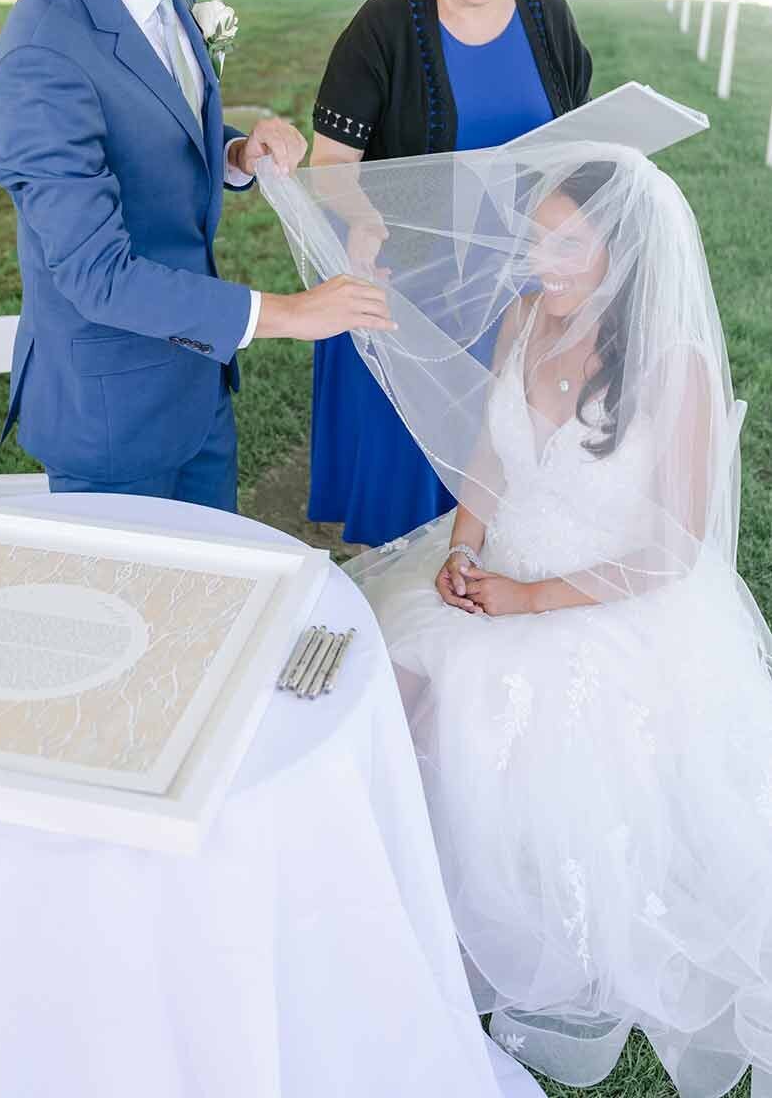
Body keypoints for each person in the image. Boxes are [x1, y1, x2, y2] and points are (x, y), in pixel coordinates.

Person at [262, 140, 772, 1097]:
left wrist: (529, 598)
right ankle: (370, 895)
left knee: (486, 708)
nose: (539, 263)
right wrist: (463, 549)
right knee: (393, 670)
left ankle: (456, 921)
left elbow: (670, 550)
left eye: (564, 248)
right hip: (494, 564)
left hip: (609, 596)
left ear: (621, 256)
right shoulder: (526, 319)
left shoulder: (676, 363)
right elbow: (489, 463)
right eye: (535, 241)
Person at [0, 0, 393, 510]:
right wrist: (288, 313)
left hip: (195, 383)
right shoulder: (42, 55)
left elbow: (147, 128)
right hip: (115, 416)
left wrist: (234, 150)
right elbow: (94, 274)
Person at [308, 0, 592, 547]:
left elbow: (577, 138)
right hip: (416, 275)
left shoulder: (546, 15)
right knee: (411, 482)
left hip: (525, 275)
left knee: (509, 463)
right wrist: (366, 218)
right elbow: (332, 162)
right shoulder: (383, 25)